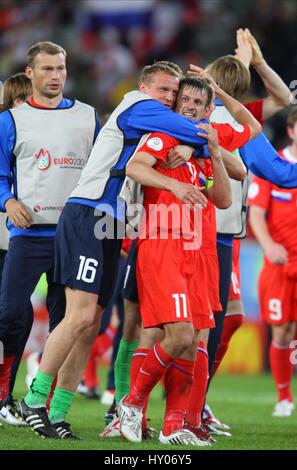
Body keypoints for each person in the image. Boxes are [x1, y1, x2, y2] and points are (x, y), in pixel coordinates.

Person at [18, 61, 212, 439]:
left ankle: (57, 412)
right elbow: (204, 131)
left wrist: (195, 145)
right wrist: (195, 142)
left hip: (115, 223)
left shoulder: (154, 124)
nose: (169, 98)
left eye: (174, 93)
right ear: (143, 86)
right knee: (79, 316)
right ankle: (34, 399)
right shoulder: (138, 105)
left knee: (92, 323)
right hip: (89, 212)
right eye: (164, 89)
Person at [118, 72, 260, 444]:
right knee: (174, 334)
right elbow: (134, 167)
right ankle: (131, 405)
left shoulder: (203, 142)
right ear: (177, 101)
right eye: (185, 100)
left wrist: (212, 149)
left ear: (208, 108)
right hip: (164, 243)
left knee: (197, 335)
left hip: (201, 250)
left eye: (199, 102)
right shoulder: (165, 135)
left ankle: (175, 425)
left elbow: (225, 199)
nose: (190, 106)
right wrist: (175, 184)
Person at [0, 41, 99, 438]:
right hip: (29, 234)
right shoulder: (11, 120)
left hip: (74, 235)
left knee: (67, 323)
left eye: (60, 68)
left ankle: (44, 406)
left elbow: (103, 171)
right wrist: (7, 200)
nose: (56, 76)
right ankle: (7, 394)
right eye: (47, 69)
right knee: (8, 314)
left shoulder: (88, 117)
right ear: (30, 74)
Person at [248, 106, 297, 417]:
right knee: (281, 330)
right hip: (280, 263)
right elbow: (255, 213)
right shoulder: (273, 166)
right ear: (291, 131)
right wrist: (267, 245)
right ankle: (283, 397)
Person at [0, 73, 32, 427]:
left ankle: (4, 395)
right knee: (10, 318)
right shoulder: (5, 131)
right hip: (7, 236)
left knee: (16, 320)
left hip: (18, 240)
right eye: (18, 100)